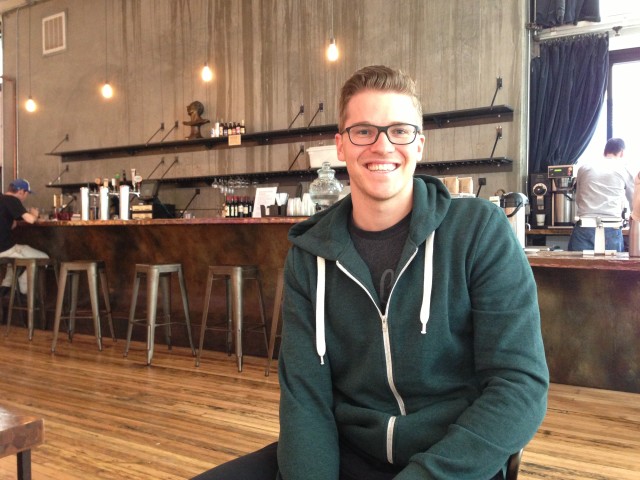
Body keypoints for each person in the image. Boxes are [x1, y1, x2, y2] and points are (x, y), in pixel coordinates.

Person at [193, 65, 549, 480]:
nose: (382, 146)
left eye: (399, 131)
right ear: (340, 146)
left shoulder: (479, 231)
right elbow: (306, 400)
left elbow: (519, 385)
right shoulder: (309, 256)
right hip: (346, 453)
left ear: (419, 144)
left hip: (452, 460)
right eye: (364, 131)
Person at [568, 138, 638, 252]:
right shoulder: (624, 168)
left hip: (584, 226)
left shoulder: (584, 167)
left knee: (579, 263)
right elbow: (634, 203)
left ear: (604, 152)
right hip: (611, 227)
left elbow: (579, 199)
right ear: (622, 153)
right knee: (612, 264)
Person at [0, 178, 49, 295]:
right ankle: (22, 286)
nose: (26, 197)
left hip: (3, 249)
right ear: (21, 191)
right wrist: (34, 214)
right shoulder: (12, 200)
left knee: (16, 259)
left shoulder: (2, 199)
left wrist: (12, 219)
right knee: (44, 258)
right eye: (27, 193)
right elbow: (30, 220)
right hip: (5, 248)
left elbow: (11, 225)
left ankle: (7, 286)